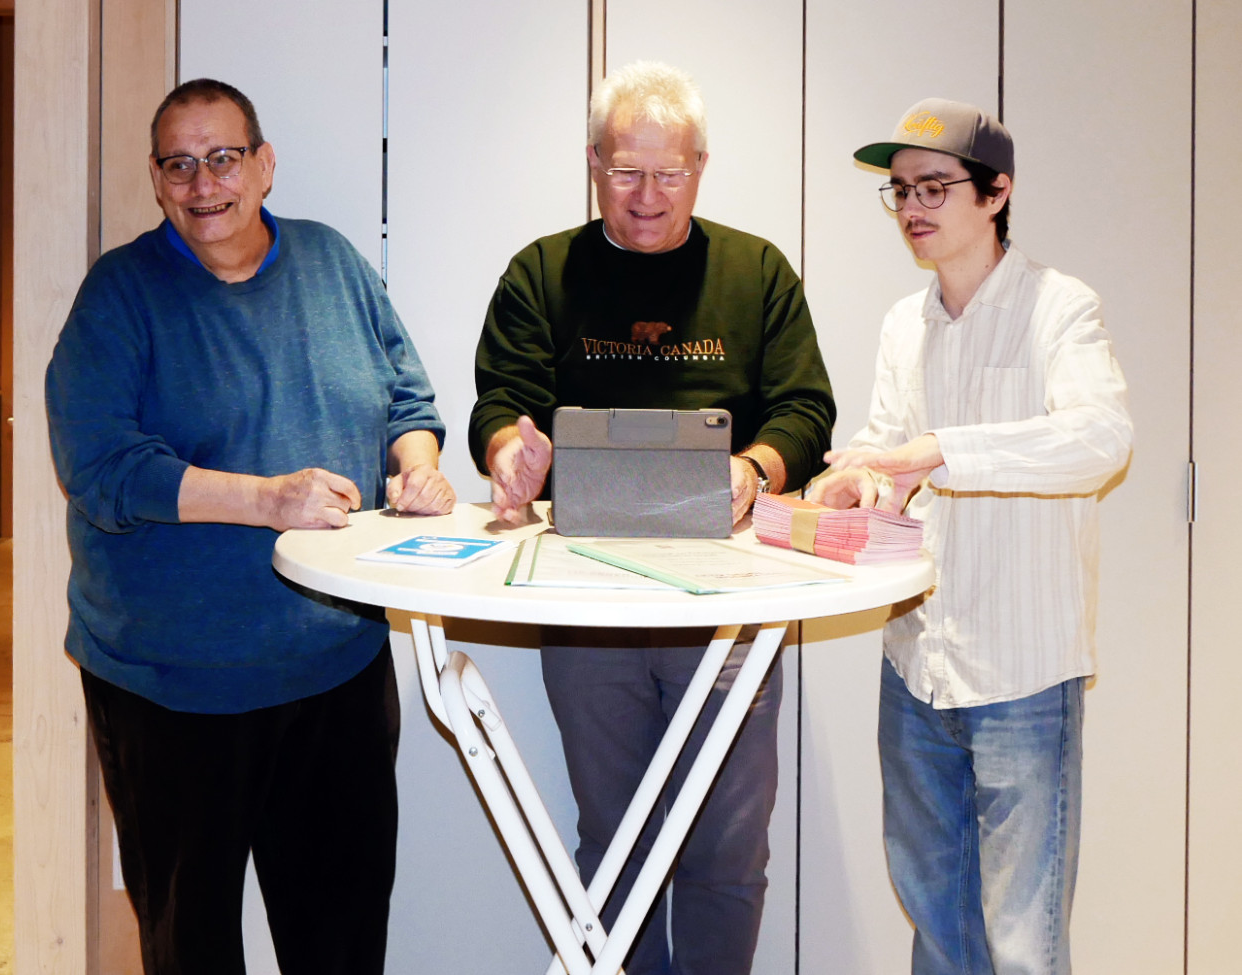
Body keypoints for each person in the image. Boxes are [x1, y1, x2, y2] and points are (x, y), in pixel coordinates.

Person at [45, 78, 455, 975]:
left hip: (336, 668)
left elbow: (406, 396)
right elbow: (101, 467)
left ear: (265, 165)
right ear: (157, 179)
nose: (204, 184)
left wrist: (417, 464)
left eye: (224, 158)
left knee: (341, 941)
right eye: (180, 165)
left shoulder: (333, 262)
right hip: (174, 687)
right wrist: (268, 501)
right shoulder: (119, 295)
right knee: (190, 946)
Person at [469, 62, 835, 975]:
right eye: (626, 170)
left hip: (730, 601)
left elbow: (806, 408)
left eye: (669, 173)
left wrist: (754, 467)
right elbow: (502, 400)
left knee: (728, 851)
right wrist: (510, 453)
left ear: (701, 165)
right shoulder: (542, 272)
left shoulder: (755, 272)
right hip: (584, 604)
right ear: (593, 161)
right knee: (616, 839)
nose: (646, 196)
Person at [808, 98, 1133, 975]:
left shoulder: (1059, 307)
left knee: (1024, 943)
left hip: (1022, 670)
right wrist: (862, 478)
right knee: (939, 926)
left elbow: (1102, 439)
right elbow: (892, 451)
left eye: (934, 187)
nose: (912, 208)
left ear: (996, 192)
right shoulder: (902, 323)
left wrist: (940, 450)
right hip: (916, 659)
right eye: (900, 190)